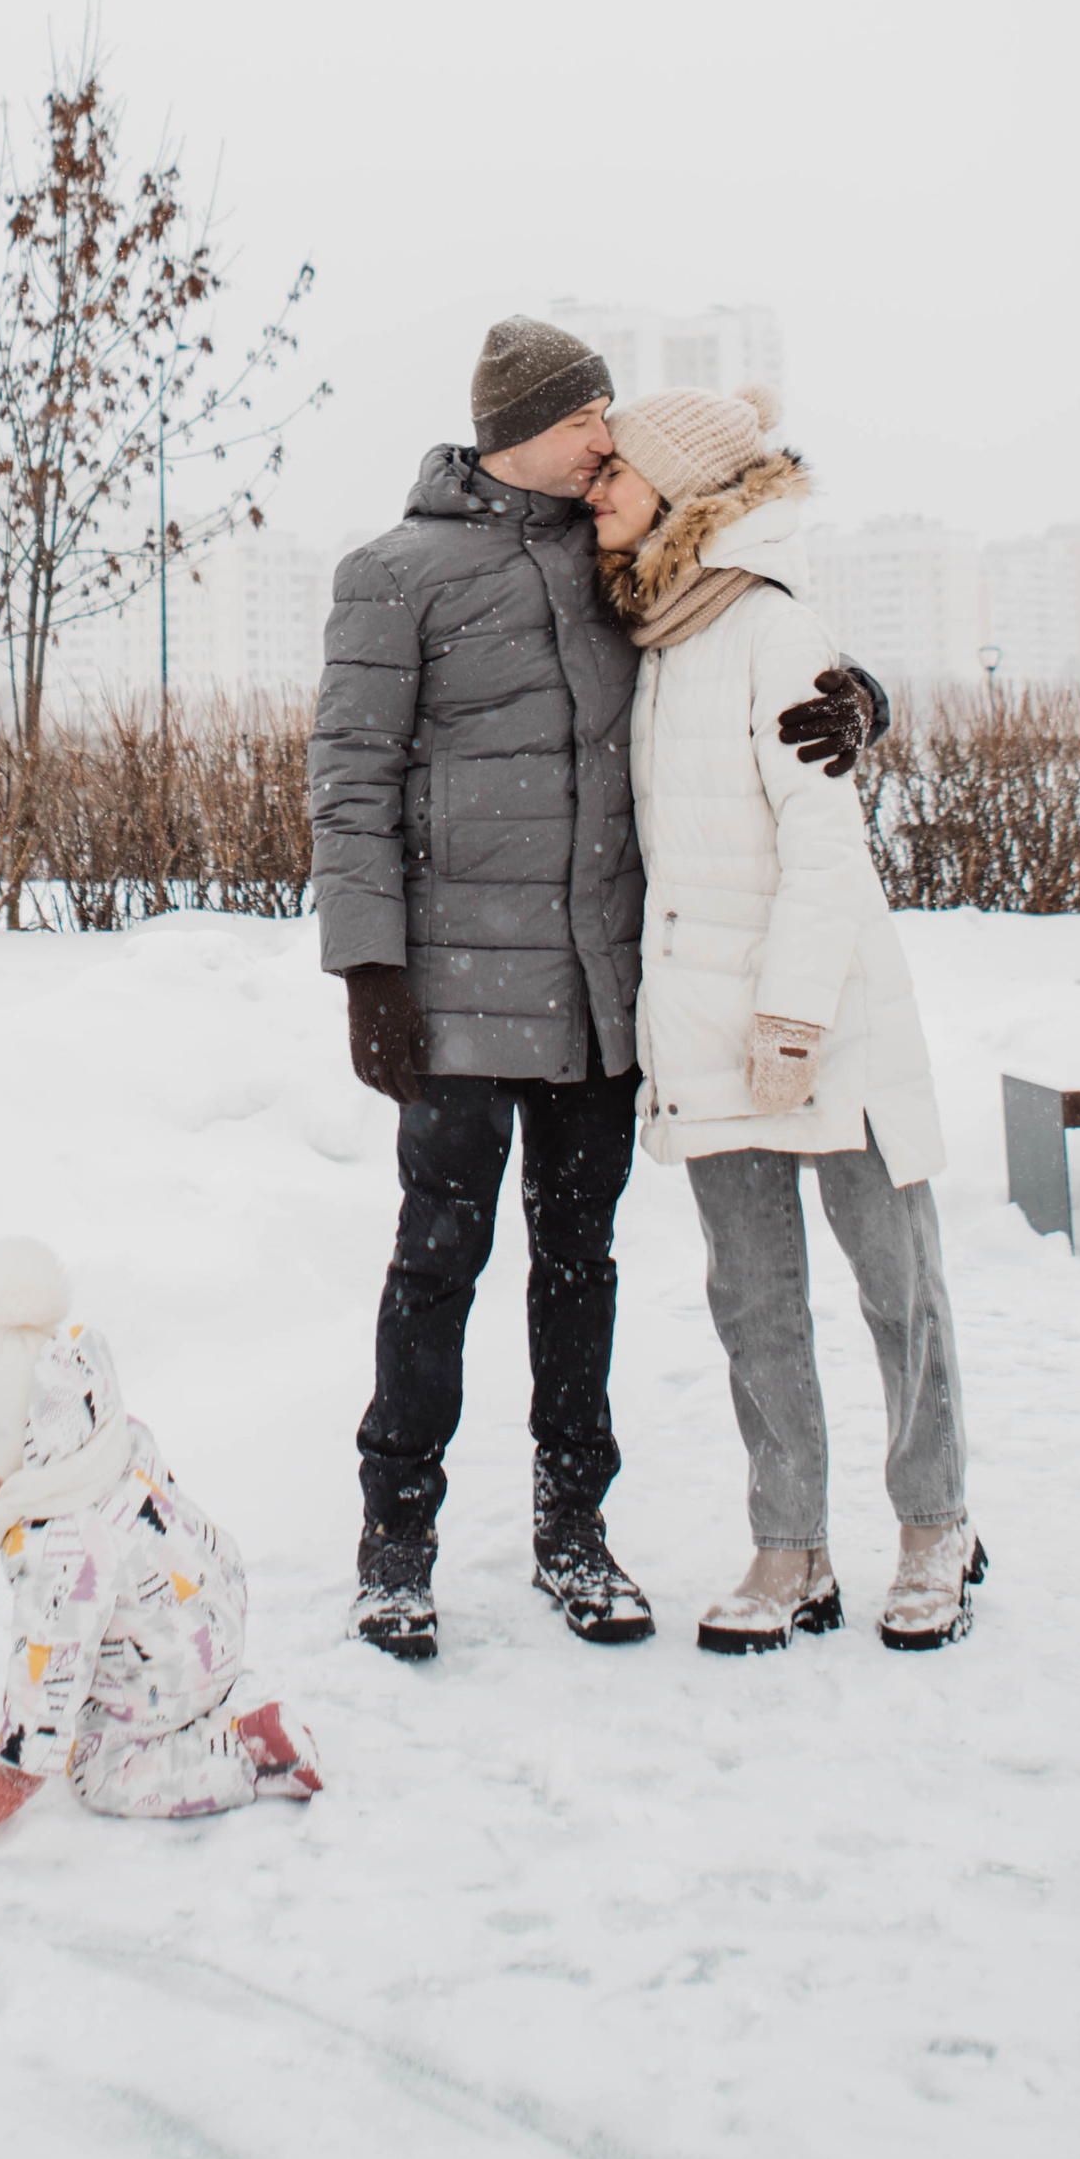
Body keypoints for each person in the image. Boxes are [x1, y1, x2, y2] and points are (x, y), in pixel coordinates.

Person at [308, 313, 884, 1662]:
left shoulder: (617, 556)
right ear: (522, 424)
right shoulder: (393, 574)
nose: (606, 440)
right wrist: (369, 968)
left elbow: (758, 627)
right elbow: (351, 781)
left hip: (596, 988)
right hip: (451, 989)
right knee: (437, 1260)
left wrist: (866, 699)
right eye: (589, 419)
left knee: (581, 1265)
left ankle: (575, 1526)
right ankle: (397, 1539)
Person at [591, 385, 984, 1653]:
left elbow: (824, 842)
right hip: (700, 1021)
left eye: (617, 472)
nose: (596, 489)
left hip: (824, 1014)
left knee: (893, 1281)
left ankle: (937, 1527)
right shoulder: (642, 629)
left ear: (683, 493)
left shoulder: (770, 625)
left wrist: (796, 1016)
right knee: (752, 1302)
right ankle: (790, 1546)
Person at [0, 1240, 324, 1838]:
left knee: (100, 1771)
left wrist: (14, 1774)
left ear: (28, 1452)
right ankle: (202, 1703)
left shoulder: (62, 1545)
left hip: (172, 1668)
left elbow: (50, 1656)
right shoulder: (110, 1444)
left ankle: (246, 1755)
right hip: (210, 1607)